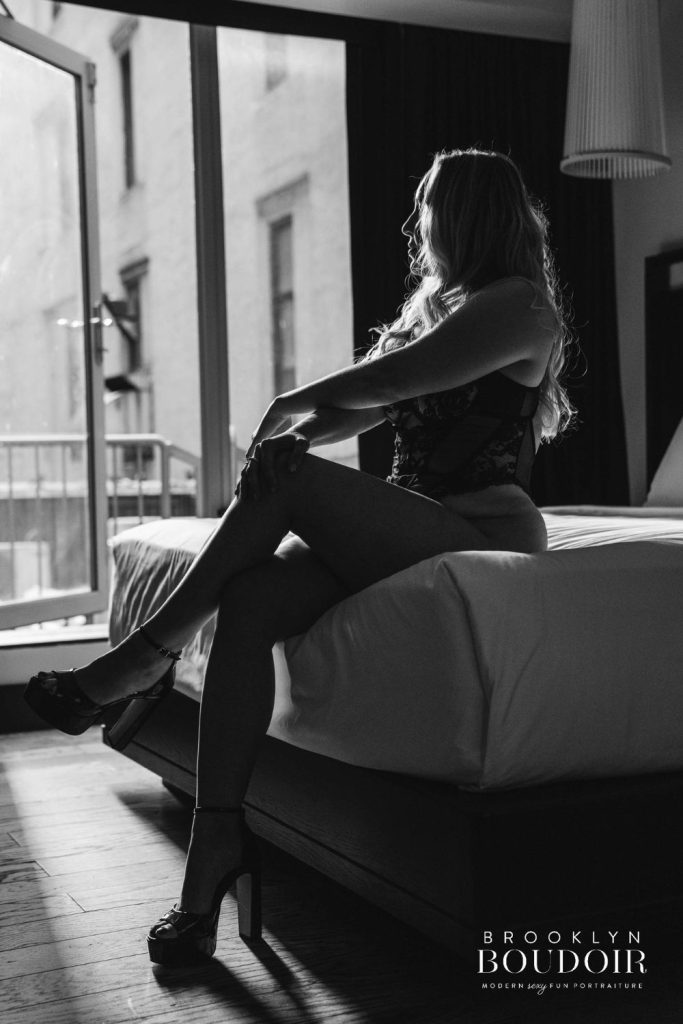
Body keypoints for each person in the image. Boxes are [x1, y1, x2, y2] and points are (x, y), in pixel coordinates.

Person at [24, 147, 575, 966]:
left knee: (289, 485)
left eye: (426, 211)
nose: (417, 228)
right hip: (413, 525)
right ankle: (212, 855)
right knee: (248, 601)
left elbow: (389, 384)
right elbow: (355, 408)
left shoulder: (519, 308)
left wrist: (288, 412)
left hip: (482, 530)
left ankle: (141, 661)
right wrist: (290, 440)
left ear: (459, 215)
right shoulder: (445, 309)